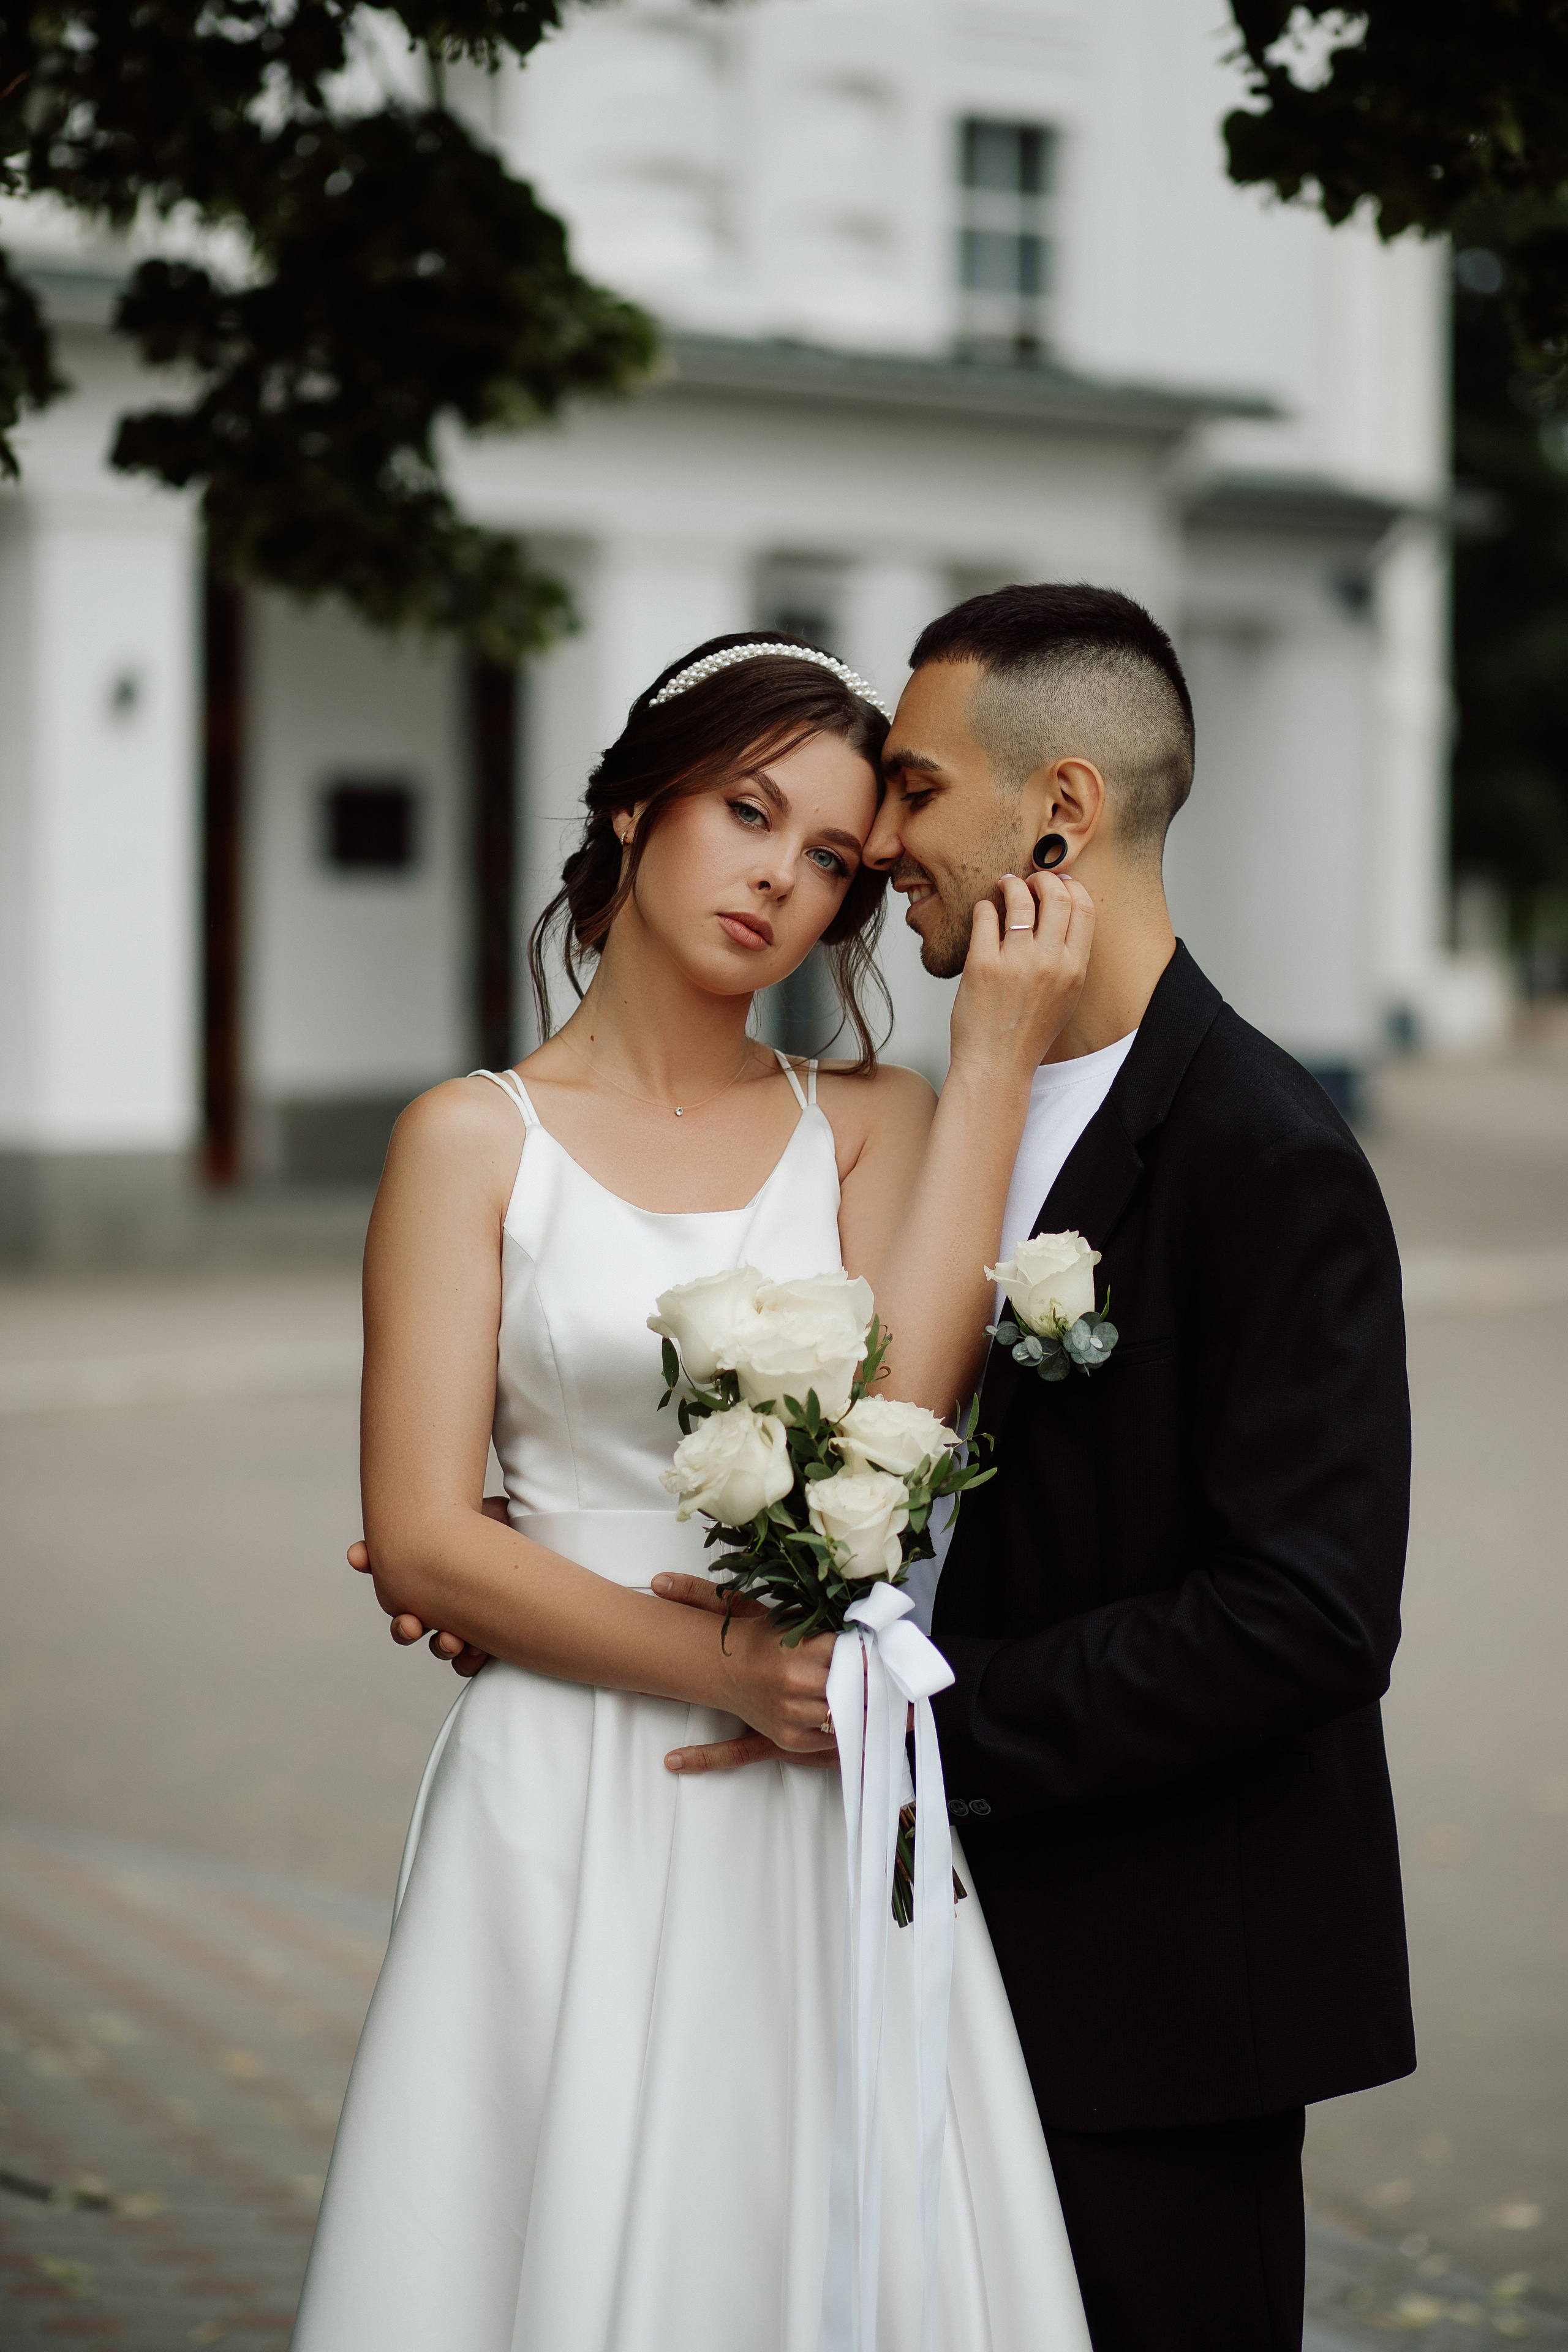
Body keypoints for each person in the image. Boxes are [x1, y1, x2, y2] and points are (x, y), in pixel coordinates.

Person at [295, 630, 1098, 2351]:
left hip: (814, 1790)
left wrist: (1001, 1049)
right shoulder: (468, 1139)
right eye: (748, 812)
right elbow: (426, 1534)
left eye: (829, 862)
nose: (781, 883)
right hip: (563, 1784)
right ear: (636, 804)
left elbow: (906, 1418)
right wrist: (726, 1667)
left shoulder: (871, 1117)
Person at [658, 584, 1417, 2352]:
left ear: (1056, 811)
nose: (876, 849)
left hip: (1155, 1994)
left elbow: (1305, 1618)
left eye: (913, 794)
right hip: (892, 1943)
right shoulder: (938, 1117)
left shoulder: (1265, 1150)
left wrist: (920, 1711)